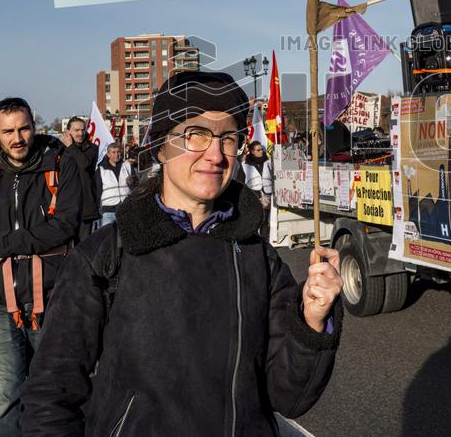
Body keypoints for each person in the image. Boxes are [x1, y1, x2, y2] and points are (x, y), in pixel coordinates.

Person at [21, 71, 343, 436]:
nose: (215, 154)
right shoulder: (106, 254)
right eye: (196, 134)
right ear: (160, 146)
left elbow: (290, 398)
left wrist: (313, 321)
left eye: (229, 138)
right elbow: (51, 394)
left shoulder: (259, 258)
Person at [0, 97, 80, 437]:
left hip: (51, 296)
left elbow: (66, 224)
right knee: (4, 400)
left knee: (53, 397)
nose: (17, 138)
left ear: (34, 127)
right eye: (8, 131)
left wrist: (7, 244)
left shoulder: (60, 165)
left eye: (23, 128)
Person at [61, 117, 99, 242]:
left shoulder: (92, 148)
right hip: (65, 207)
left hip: (85, 207)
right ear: (68, 132)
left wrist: (71, 146)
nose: (80, 133)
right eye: (76, 130)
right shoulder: (61, 149)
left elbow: (84, 163)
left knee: (83, 246)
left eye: (83, 130)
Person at [94, 142, 134, 229]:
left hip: (126, 208)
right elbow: (97, 191)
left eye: (118, 152)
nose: (117, 155)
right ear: (108, 154)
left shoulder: (127, 166)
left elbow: (136, 185)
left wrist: (132, 182)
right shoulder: (101, 170)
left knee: (127, 237)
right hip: (108, 211)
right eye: (113, 152)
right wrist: (97, 209)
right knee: (107, 238)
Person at [242, 140, 273, 210]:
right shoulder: (245, 165)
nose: (261, 151)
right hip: (254, 197)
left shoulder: (268, 162)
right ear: (252, 151)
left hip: (270, 196)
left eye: (261, 149)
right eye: (258, 150)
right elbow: (242, 181)